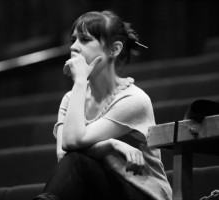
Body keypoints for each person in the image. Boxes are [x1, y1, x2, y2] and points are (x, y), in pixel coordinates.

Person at [33, 10, 172, 200]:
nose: (74, 47)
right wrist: (111, 145)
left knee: (77, 161)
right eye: (73, 40)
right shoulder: (71, 99)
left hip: (142, 191)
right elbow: (63, 155)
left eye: (85, 40)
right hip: (98, 189)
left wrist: (80, 80)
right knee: (74, 163)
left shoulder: (133, 100)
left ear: (114, 49)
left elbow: (72, 143)